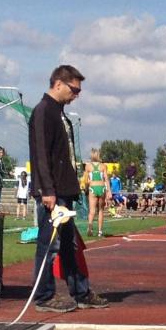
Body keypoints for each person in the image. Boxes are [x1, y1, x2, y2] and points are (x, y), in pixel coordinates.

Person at [28, 64, 107, 312]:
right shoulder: (43, 111)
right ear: (58, 84)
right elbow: (41, 154)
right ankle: (44, 296)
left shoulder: (61, 114)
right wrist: (47, 190)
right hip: (52, 192)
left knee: (69, 245)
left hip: (65, 189)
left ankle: (81, 292)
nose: (76, 95)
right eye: (74, 89)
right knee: (49, 245)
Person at [83, 147, 110, 237]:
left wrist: (86, 189)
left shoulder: (88, 166)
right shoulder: (103, 166)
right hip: (102, 188)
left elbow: (85, 180)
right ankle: (100, 231)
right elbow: (106, 179)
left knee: (92, 211)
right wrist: (109, 191)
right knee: (101, 210)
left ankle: (90, 228)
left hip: (92, 188)